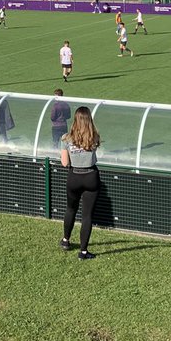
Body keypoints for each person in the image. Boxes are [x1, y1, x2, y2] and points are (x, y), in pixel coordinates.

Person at [60, 106, 101, 260]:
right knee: (87, 216)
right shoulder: (95, 136)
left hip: (74, 176)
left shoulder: (66, 138)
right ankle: (83, 251)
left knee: (71, 209)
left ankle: (66, 240)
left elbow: (65, 163)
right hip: (91, 176)